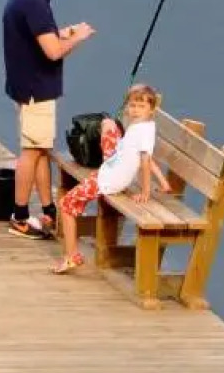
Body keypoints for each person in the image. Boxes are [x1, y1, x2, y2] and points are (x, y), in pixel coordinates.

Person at [1, 0, 94, 240]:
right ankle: (19, 215)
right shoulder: (34, 2)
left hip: (25, 86)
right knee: (31, 152)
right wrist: (78, 38)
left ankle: (48, 209)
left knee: (40, 148)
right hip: (35, 91)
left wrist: (65, 31)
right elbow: (52, 52)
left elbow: (42, 38)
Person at [52, 83, 168, 274]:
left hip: (110, 179)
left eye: (141, 107)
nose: (135, 110)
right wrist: (163, 182)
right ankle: (71, 253)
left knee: (66, 204)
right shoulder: (143, 126)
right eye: (132, 106)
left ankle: (71, 256)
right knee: (108, 124)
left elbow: (146, 161)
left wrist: (145, 192)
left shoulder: (142, 132)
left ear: (152, 110)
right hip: (114, 166)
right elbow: (142, 155)